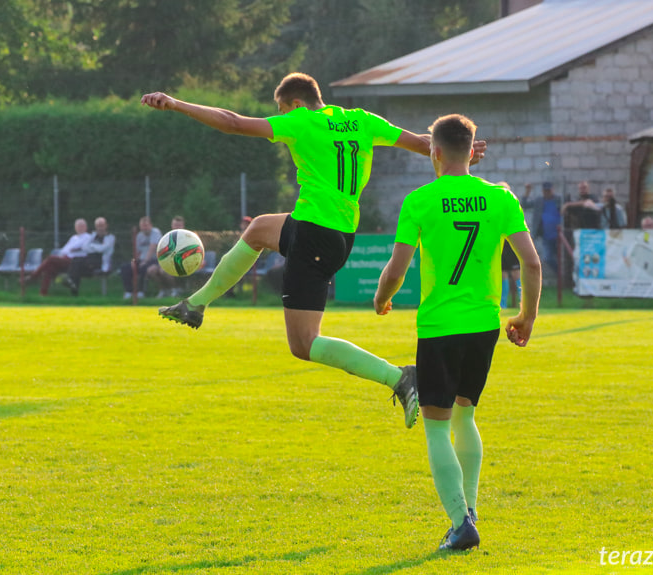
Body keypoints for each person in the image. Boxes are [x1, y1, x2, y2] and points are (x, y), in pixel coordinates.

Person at [140, 72, 486, 428]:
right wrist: (461, 156)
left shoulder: (301, 120)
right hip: (337, 234)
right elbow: (421, 142)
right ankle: (196, 305)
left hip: (313, 235)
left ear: (295, 103)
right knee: (259, 228)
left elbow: (233, 123)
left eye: (282, 109)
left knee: (304, 344)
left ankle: (399, 377)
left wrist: (177, 104)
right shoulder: (362, 120)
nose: (282, 115)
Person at [374, 114, 541, 551]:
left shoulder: (421, 200)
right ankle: (470, 506)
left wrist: (381, 297)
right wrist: (526, 316)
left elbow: (397, 268)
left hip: (439, 326)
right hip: (483, 325)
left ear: (433, 151)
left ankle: (459, 522)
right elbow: (532, 262)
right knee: (466, 415)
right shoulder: (500, 197)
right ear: (472, 150)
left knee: (435, 428)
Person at [25, 218, 91, 296]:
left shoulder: (88, 237)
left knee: (50, 258)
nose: (79, 228)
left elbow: (79, 247)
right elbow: (64, 250)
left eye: (81, 226)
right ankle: (42, 294)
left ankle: (33, 276)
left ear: (85, 227)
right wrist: (70, 250)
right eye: (77, 226)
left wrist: (71, 250)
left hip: (75, 261)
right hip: (65, 258)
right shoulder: (73, 238)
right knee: (49, 269)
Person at [65, 216, 115, 296]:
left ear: (106, 226)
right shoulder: (93, 236)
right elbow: (85, 247)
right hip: (89, 261)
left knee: (77, 265)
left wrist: (92, 247)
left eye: (102, 225)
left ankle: (71, 283)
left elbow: (102, 249)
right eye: (98, 226)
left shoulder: (110, 237)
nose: (100, 228)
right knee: (75, 262)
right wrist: (94, 247)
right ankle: (73, 288)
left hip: (100, 263)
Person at [521, 181, 561, 273]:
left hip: (560, 236)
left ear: (552, 190)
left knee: (562, 259)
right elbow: (524, 205)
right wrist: (527, 191)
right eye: (545, 191)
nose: (547, 192)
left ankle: (563, 279)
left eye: (549, 190)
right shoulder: (539, 201)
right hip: (546, 236)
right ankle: (560, 274)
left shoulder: (558, 200)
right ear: (543, 191)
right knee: (547, 258)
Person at [120, 216, 161, 300]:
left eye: (146, 225)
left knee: (143, 267)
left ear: (151, 225)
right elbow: (137, 251)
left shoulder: (155, 232)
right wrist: (134, 260)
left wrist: (145, 261)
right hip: (142, 260)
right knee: (125, 268)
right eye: (142, 226)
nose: (144, 228)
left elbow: (152, 247)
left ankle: (141, 292)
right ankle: (129, 292)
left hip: (154, 260)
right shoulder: (139, 236)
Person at [147, 215, 186, 298]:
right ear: (172, 226)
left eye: (179, 225)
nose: (177, 227)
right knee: (151, 270)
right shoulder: (166, 238)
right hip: (167, 263)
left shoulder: (189, 238)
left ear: (183, 226)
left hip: (182, 263)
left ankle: (175, 289)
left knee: (163, 271)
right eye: (175, 225)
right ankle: (163, 290)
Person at [497, 181, 521, 308]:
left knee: (516, 273)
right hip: (501, 246)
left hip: (511, 245)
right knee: (503, 274)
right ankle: (503, 304)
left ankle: (523, 302)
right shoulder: (495, 207)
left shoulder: (512, 206)